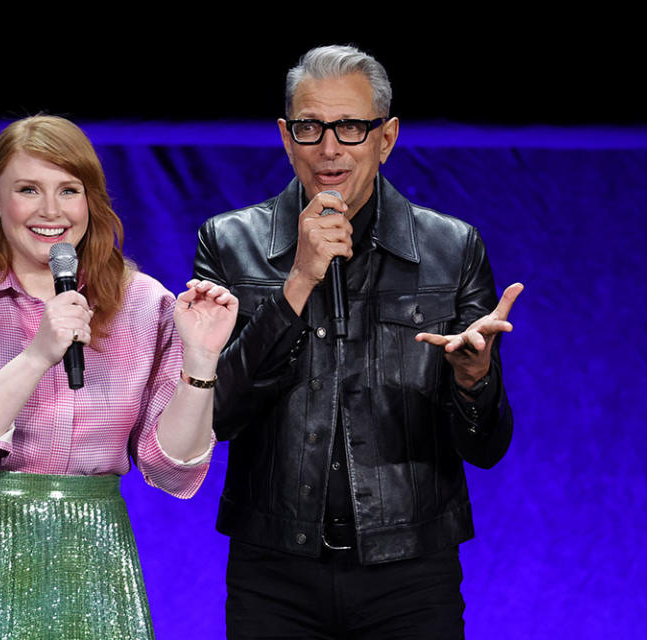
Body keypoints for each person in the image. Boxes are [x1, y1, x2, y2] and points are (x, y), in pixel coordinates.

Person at [193, 45, 524, 638]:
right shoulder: (229, 243)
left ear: (386, 136)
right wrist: (296, 282)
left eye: (350, 126)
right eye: (310, 126)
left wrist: (474, 382)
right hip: (273, 571)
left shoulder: (453, 249)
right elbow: (213, 418)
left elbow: (487, 448)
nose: (329, 147)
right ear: (286, 135)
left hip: (412, 572)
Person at [0, 115, 237, 639]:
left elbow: (172, 470)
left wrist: (201, 361)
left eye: (68, 190)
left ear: (89, 202)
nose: (51, 211)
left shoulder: (144, 304)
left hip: (94, 560)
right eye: (28, 189)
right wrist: (35, 356)